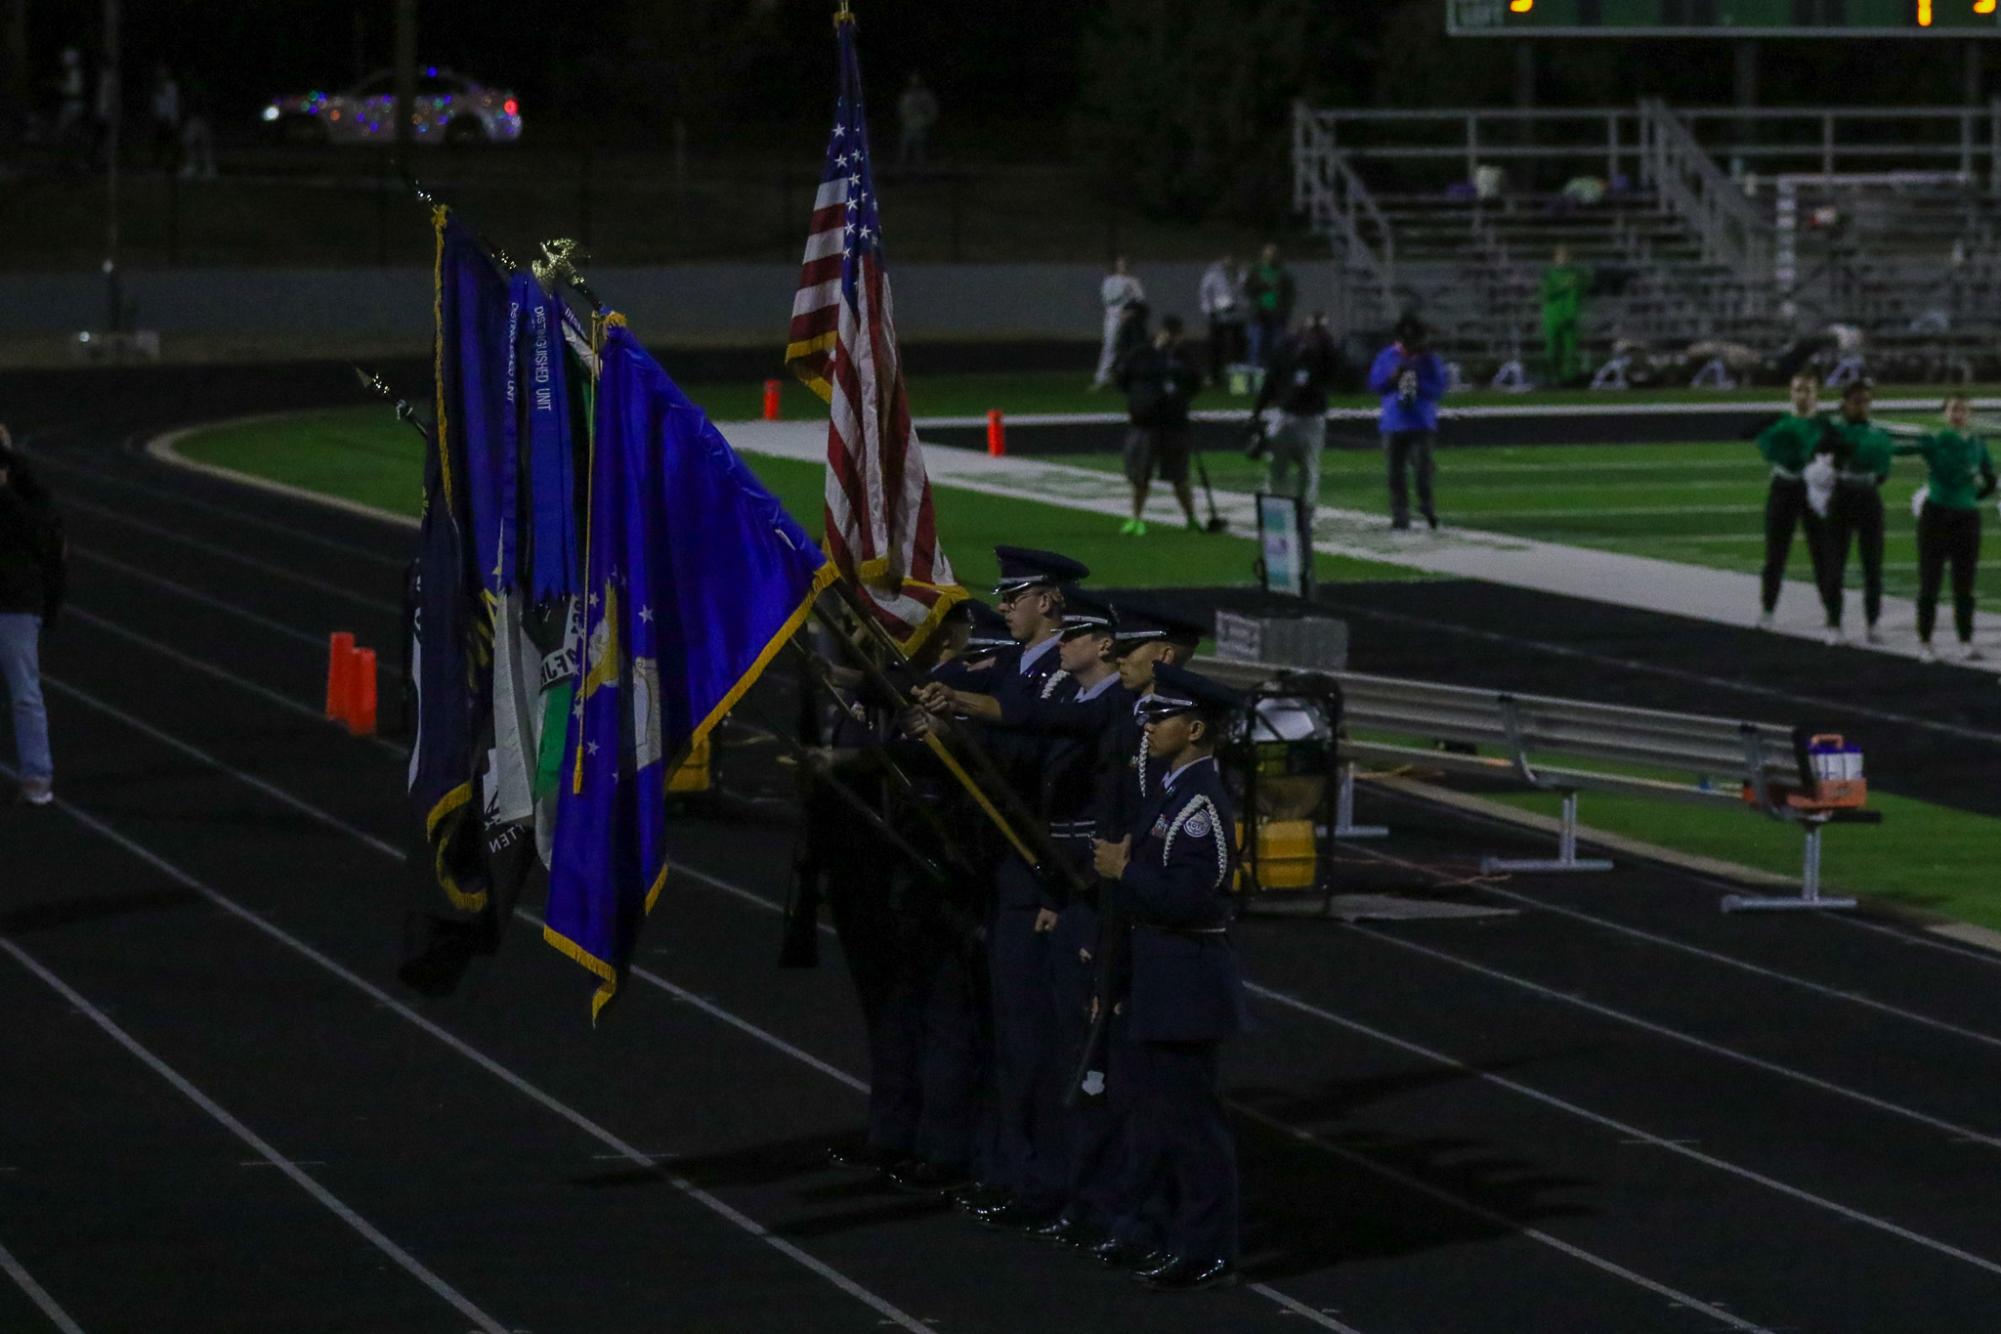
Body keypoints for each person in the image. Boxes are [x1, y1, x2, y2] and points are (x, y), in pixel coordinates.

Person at [1091, 663, 1250, 1292]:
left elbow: (1195, 897)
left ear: (1196, 728)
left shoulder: (1203, 802)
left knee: (1193, 1126)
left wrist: (1122, 872)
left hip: (1186, 981)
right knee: (1157, 1117)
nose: (1150, 724)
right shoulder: (1172, 787)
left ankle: (1209, 1247)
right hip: (1160, 974)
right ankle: (1166, 1234)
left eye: (1163, 717)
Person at [1897, 393, 1996, 663]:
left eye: (1963, 410)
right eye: (1953, 410)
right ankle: (1925, 641)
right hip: (1936, 515)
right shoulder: (1936, 440)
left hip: (1967, 517)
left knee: (1964, 585)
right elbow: (1902, 448)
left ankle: (1965, 641)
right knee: (1930, 581)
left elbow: (1989, 478)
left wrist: (1972, 497)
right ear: (1945, 414)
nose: (1958, 415)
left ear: (1970, 414)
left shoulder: (1977, 443)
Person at [0, 426, 63, 806]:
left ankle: (37, 775)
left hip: (16, 608)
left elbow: (44, 541)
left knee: (24, 694)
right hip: (18, 607)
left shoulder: (27, 501)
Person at [1818, 379, 1896, 646]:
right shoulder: (1833, 430)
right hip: (1841, 496)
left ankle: (1872, 623)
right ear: (1845, 404)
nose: (1862, 407)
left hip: (1867, 497)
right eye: (1857, 401)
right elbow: (1817, 453)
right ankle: (1833, 622)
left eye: (1866, 401)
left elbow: (1883, 473)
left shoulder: (1878, 434)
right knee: (1834, 565)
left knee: (1872, 566)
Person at [1755, 373, 1834, 630]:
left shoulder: (1825, 424)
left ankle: (1831, 612)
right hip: (1784, 487)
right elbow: (1768, 449)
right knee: (1775, 553)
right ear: (1791, 392)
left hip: (1813, 491)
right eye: (1798, 390)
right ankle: (1768, 609)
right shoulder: (1780, 423)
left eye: (1808, 390)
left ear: (1816, 394)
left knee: (1822, 553)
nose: (1803, 395)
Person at [1116, 315, 1203, 536]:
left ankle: (1191, 518)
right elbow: (1124, 378)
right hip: (1146, 423)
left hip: (1174, 424)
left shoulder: (1184, 357)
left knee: (1179, 476)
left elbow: (1195, 382)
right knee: (1140, 476)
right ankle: (1136, 518)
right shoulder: (1142, 354)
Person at [1251, 312, 1341, 525]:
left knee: (1309, 469)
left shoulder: (1325, 354)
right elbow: (1271, 380)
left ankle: (1305, 514)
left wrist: (1326, 344)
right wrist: (1257, 412)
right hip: (1284, 414)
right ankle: (1277, 510)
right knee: (1277, 467)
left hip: (1311, 417)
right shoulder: (1286, 349)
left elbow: (1338, 371)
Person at [1368, 313, 1447, 530]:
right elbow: (1375, 385)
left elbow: (1438, 390)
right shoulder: (1387, 357)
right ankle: (1399, 513)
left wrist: (1416, 382)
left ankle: (1426, 505)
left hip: (1421, 423)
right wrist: (1393, 378)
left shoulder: (1430, 361)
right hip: (1394, 423)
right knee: (1395, 473)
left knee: (1423, 469)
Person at [1092, 257, 1146, 391]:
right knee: (1110, 344)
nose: (1123, 267)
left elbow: (1140, 299)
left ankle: (1132, 376)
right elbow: (1106, 299)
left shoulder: (1133, 281)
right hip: (1113, 315)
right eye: (1120, 264)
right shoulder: (1109, 280)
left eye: (1125, 264)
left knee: (1129, 346)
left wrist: (1130, 312)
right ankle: (1102, 376)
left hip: (1127, 317)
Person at [1541, 245, 1588, 385]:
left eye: (1567, 256)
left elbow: (1584, 289)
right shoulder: (1549, 274)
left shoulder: (1576, 274)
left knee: (1570, 351)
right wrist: (1563, 286)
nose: (1564, 259)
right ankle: (1552, 378)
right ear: (1555, 258)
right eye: (1561, 256)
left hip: (1570, 316)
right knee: (1552, 350)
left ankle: (1569, 379)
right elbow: (1545, 294)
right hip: (1553, 317)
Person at [1244, 243, 1295, 370]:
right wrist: (1262, 286)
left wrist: (1285, 309)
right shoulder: (1256, 270)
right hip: (1258, 314)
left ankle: (1274, 371)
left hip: (1276, 314)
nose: (1271, 257)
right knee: (1256, 344)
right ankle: (1254, 372)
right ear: (1263, 255)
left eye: (1273, 254)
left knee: (1276, 345)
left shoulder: (1283, 272)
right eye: (1268, 254)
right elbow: (1248, 289)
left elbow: (1290, 292)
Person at [1197, 255, 1246, 387]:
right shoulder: (1213, 274)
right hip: (1218, 315)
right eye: (1227, 259)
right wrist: (1209, 311)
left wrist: (1244, 307)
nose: (1230, 262)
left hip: (1237, 316)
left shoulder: (1241, 273)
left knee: (1238, 348)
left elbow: (1245, 292)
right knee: (1216, 348)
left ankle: (1238, 380)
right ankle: (1214, 377)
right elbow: (1204, 293)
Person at [896, 73, 938, 172]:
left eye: (917, 81)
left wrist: (927, 120)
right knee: (905, 147)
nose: (915, 84)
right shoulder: (907, 96)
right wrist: (906, 117)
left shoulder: (926, 96)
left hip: (921, 124)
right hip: (909, 124)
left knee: (920, 148)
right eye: (913, 82)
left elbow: (933, 110)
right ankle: (901, 169)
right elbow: (901, 109)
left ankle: (920, 169)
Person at [148, 64, 180, 172]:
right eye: (159, 72)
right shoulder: (156, 86)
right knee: (158, 143)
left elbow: (173, 103)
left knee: (170, 142)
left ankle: (173, 164)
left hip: (168, 118)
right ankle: (157, 164)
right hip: (159, 118)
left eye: (163, 72)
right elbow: (155, 103)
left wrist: (173, 119)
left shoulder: (171, 86)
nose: (160, 74)